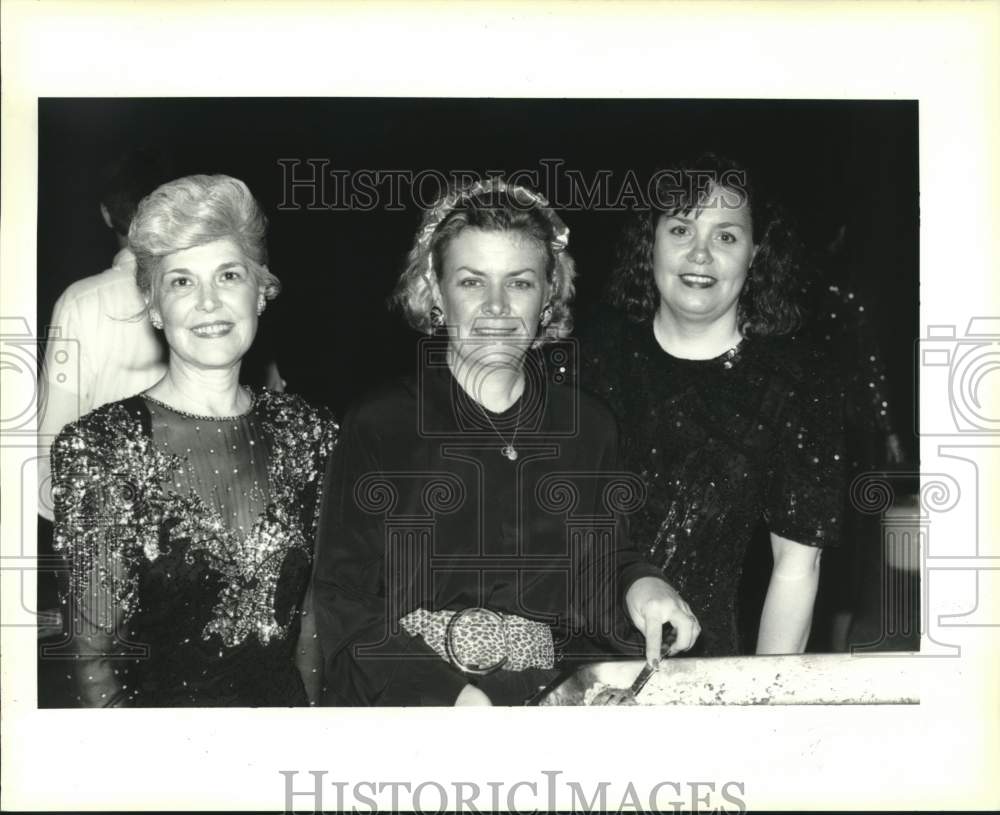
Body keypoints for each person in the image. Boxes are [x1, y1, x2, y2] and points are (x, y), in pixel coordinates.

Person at [312, 178, 698, 707]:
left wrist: (642, 588)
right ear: (436, 292)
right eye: (472, 283)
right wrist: (450, 699)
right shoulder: (378, 424)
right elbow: (344, 603)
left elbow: (599, 571)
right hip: (414, 709)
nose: (496, 306)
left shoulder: (589, 426)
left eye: (518, 283)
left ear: (547, 296)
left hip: (550, 703)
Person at [49, 175, 337, 706]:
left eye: (229, 275)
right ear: (155, 307)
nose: (208, 302)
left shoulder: (310, 432)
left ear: (261, 291)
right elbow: (93, 660)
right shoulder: (102, 447)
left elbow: (312, 617)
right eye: (181, 282)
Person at [578, 154, 845, 657]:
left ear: (755, 253)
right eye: (680, 230)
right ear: (650, 241)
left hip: (703, 666)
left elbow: (795, 568)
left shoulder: (796, 384)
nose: (700, 255)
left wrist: (766, 699)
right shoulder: (586, 357)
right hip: (566, 654)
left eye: (726, 236)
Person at [37, 149, 171, 522]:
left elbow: (50, 451)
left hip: (110, 531)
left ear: (106, 213)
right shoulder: (213, 296)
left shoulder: (81, 302)